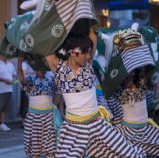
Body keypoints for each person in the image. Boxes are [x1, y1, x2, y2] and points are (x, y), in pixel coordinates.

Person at [45, 30, 146, 158]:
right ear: (72, 52)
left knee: (128, 153)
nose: (88, 55)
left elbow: (92, 34)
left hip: (97, 123)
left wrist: (90, 19)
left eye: (89, 51)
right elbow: (46, 47)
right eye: (84, 52)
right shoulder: (59, 69)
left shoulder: (88, 66)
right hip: (73, 127)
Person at [113, 69, 159, 157]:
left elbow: (143, 73)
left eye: (127, 78)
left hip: (146, 130)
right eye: (123, 79)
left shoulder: (141, 87)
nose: (124, 81)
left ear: (134, 77)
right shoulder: (119, 92)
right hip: (127, 131)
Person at [18, 57, 57, 158]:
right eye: (40, 67)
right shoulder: (30, 80)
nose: (43, 70)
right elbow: (22, 79)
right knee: (35, 148)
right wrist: (19, 62)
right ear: (35, 68)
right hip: (34, 118)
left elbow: (59, 76)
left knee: (51, 147)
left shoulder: (51, 81)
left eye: (44, 68)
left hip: (49, 117)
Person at [0, 53, 16, 131]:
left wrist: (13, 79)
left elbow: (14, 74)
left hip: (9, 89)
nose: (5, 55)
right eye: (4, 53)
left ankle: (2, 124)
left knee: (5, 108)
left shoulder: (11, 64)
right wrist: (3, 80)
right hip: (1, 90)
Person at [20, 61, 36, 128]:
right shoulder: (24, 63)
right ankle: (23, 121)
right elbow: (23, 76)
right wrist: (35, 74)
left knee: (31, 105)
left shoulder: (33, 63)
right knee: (25, 104)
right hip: (26, 88)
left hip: (33, 88)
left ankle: (29, 121)